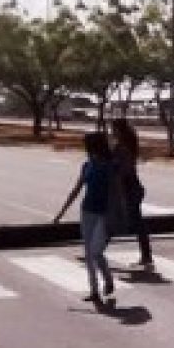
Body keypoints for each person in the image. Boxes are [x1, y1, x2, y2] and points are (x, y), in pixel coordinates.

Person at [53, 132, 118, 310]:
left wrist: (113, 215)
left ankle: (108, 279)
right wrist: (61, 213)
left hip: (104, 214)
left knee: (96, 251)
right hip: (87, 211)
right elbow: (76, 189)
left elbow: (115, 193)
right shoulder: (87, 166)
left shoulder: (110, 166)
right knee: (89, 253)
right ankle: (94, 291)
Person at [111, 118, 153, 267]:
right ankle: (147, 255)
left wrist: (120, 194)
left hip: (129, 189)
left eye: (114, 129)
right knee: (134, 222)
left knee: (122, 220)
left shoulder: (121, 148)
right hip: (132, 187)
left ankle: (95, 251)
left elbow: (123, 172)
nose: (112, 131)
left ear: (119, 130)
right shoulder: (126, 146)